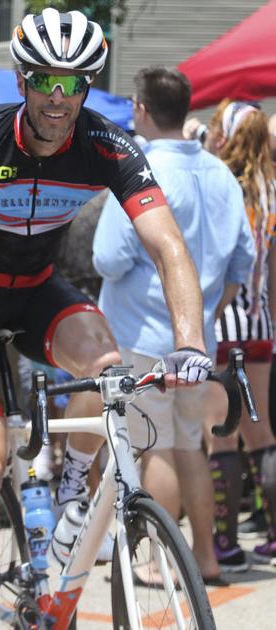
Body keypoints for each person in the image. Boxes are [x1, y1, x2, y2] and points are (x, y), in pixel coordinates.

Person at [0, 10, 210, 629]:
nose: (58, 97)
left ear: (87, 90)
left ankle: (75, 492)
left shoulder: (108, 144)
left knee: (108, 367)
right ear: (23, 81)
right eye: (46, 80)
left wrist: (190, 343)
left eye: (74, 84)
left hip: (40, 290)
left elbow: (168, 246)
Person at [94, 67, 255, 583]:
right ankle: (204, 557)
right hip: (197, 336)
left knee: (157, 443)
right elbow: (242, 266)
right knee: (189, 444)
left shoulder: (139, 169)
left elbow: (108, 258)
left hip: (143, 331)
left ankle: (155, 563)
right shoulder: (220, 172)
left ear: (141, 109)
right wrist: (206, 305)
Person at [202, 99, 276, 571]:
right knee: (263, 435)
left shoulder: (217, 187)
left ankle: (225, 544)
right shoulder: (271, 189)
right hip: (261, 325)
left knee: (222, 439)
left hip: (221, 324)